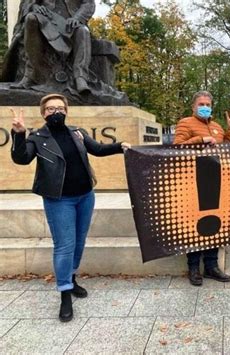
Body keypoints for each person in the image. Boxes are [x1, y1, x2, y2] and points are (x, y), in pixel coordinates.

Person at [10, 93, 130, 322]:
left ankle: (71, 278)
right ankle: (65, 292)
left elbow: (97, 149)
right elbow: (22, 158)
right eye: (51, 109)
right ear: (44, 113)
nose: (56, 112)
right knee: (64, 245)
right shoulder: (38, 137)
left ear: (66, 110)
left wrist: (119, 146)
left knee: (79, 241)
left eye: (60, 108)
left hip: (85, 196)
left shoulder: (77, 133)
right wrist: (18, 133)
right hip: (59, 199)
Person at [173, 90, 230, 286]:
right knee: (194, 225)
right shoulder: (186, 123)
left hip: (215, 181)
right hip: (193, 182)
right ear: (193, 107)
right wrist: (200, 140)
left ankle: (211, 266)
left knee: (215, 223)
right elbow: (177, 148)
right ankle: (193, 267)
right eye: (201, 104)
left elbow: (229, 149)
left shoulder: (217, 126)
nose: (205, 107)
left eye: (207, 104)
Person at [7, 0, 95, 93]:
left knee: (83, 31)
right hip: (45, 18)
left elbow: (89, 3)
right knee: (30, 18)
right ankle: (31, 75)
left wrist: (78, 18)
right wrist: (34, 7)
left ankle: (80, 77)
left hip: (70, 23)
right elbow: (26, 3)